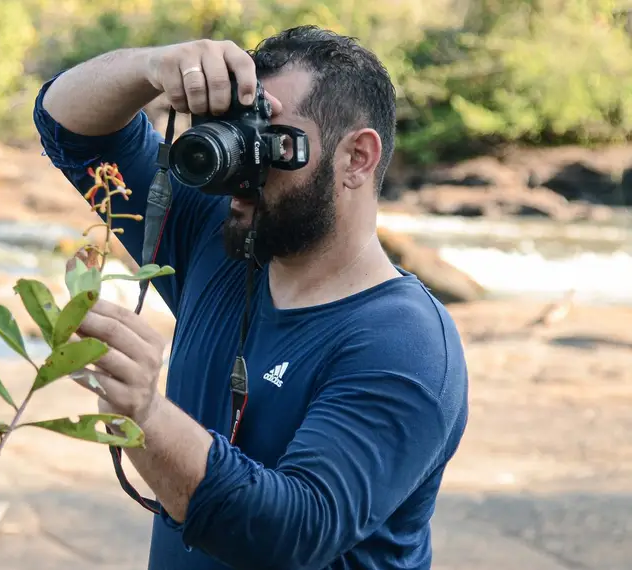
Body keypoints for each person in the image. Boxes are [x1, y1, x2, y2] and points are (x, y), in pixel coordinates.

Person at [33, 25, 469, 570]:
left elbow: (292, 533)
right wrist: (154, 64)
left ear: (357, 158)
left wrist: (145, 412)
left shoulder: (407, 344)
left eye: (269, 140)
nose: (238, 168)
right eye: (235, 133)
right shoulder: (219, 240)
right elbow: (66, 126)